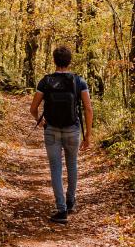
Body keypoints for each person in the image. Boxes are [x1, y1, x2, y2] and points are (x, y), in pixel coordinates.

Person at [29, 45, 93, 224]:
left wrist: (41, 122)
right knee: (72, 164)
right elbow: (88, 108)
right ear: (69, 61)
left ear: (54, 61)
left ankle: (61, 210)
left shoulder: (45, 81)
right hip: (73, 129)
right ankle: (71, 201)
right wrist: (88, 134)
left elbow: (33, 108)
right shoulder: (79, 81)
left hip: (52, 131)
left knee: (56, 169)